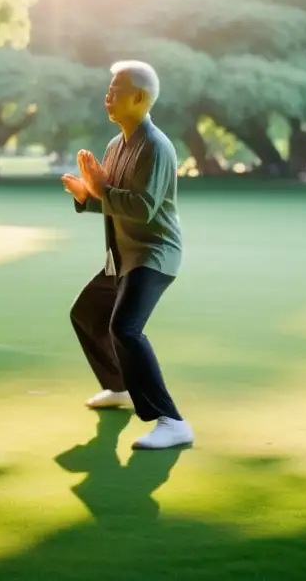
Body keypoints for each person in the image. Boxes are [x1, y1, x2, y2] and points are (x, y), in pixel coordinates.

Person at [61, 60, 193, 451]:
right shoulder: (116, 145)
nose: (108, 96)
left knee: (125, 328)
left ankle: (171, 421)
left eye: (116, 91)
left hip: (154, 254)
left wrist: (100, 189)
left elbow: (143, 208)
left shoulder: (156, 147)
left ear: (139, 98)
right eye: (108, 89)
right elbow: (115, 202)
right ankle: (118, 386)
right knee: (85, 314)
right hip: (123, 256)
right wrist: (88, 197)